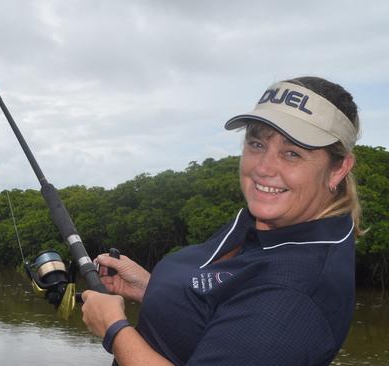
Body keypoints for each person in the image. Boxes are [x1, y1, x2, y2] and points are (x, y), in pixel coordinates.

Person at [81, 76, 362, 366]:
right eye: (256, 144)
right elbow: (224, 303)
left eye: (292, 153)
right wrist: (154, 290)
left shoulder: (295, 297)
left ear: (339, 168)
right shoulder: (266, 223)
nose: (263, 168)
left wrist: (113, 328)